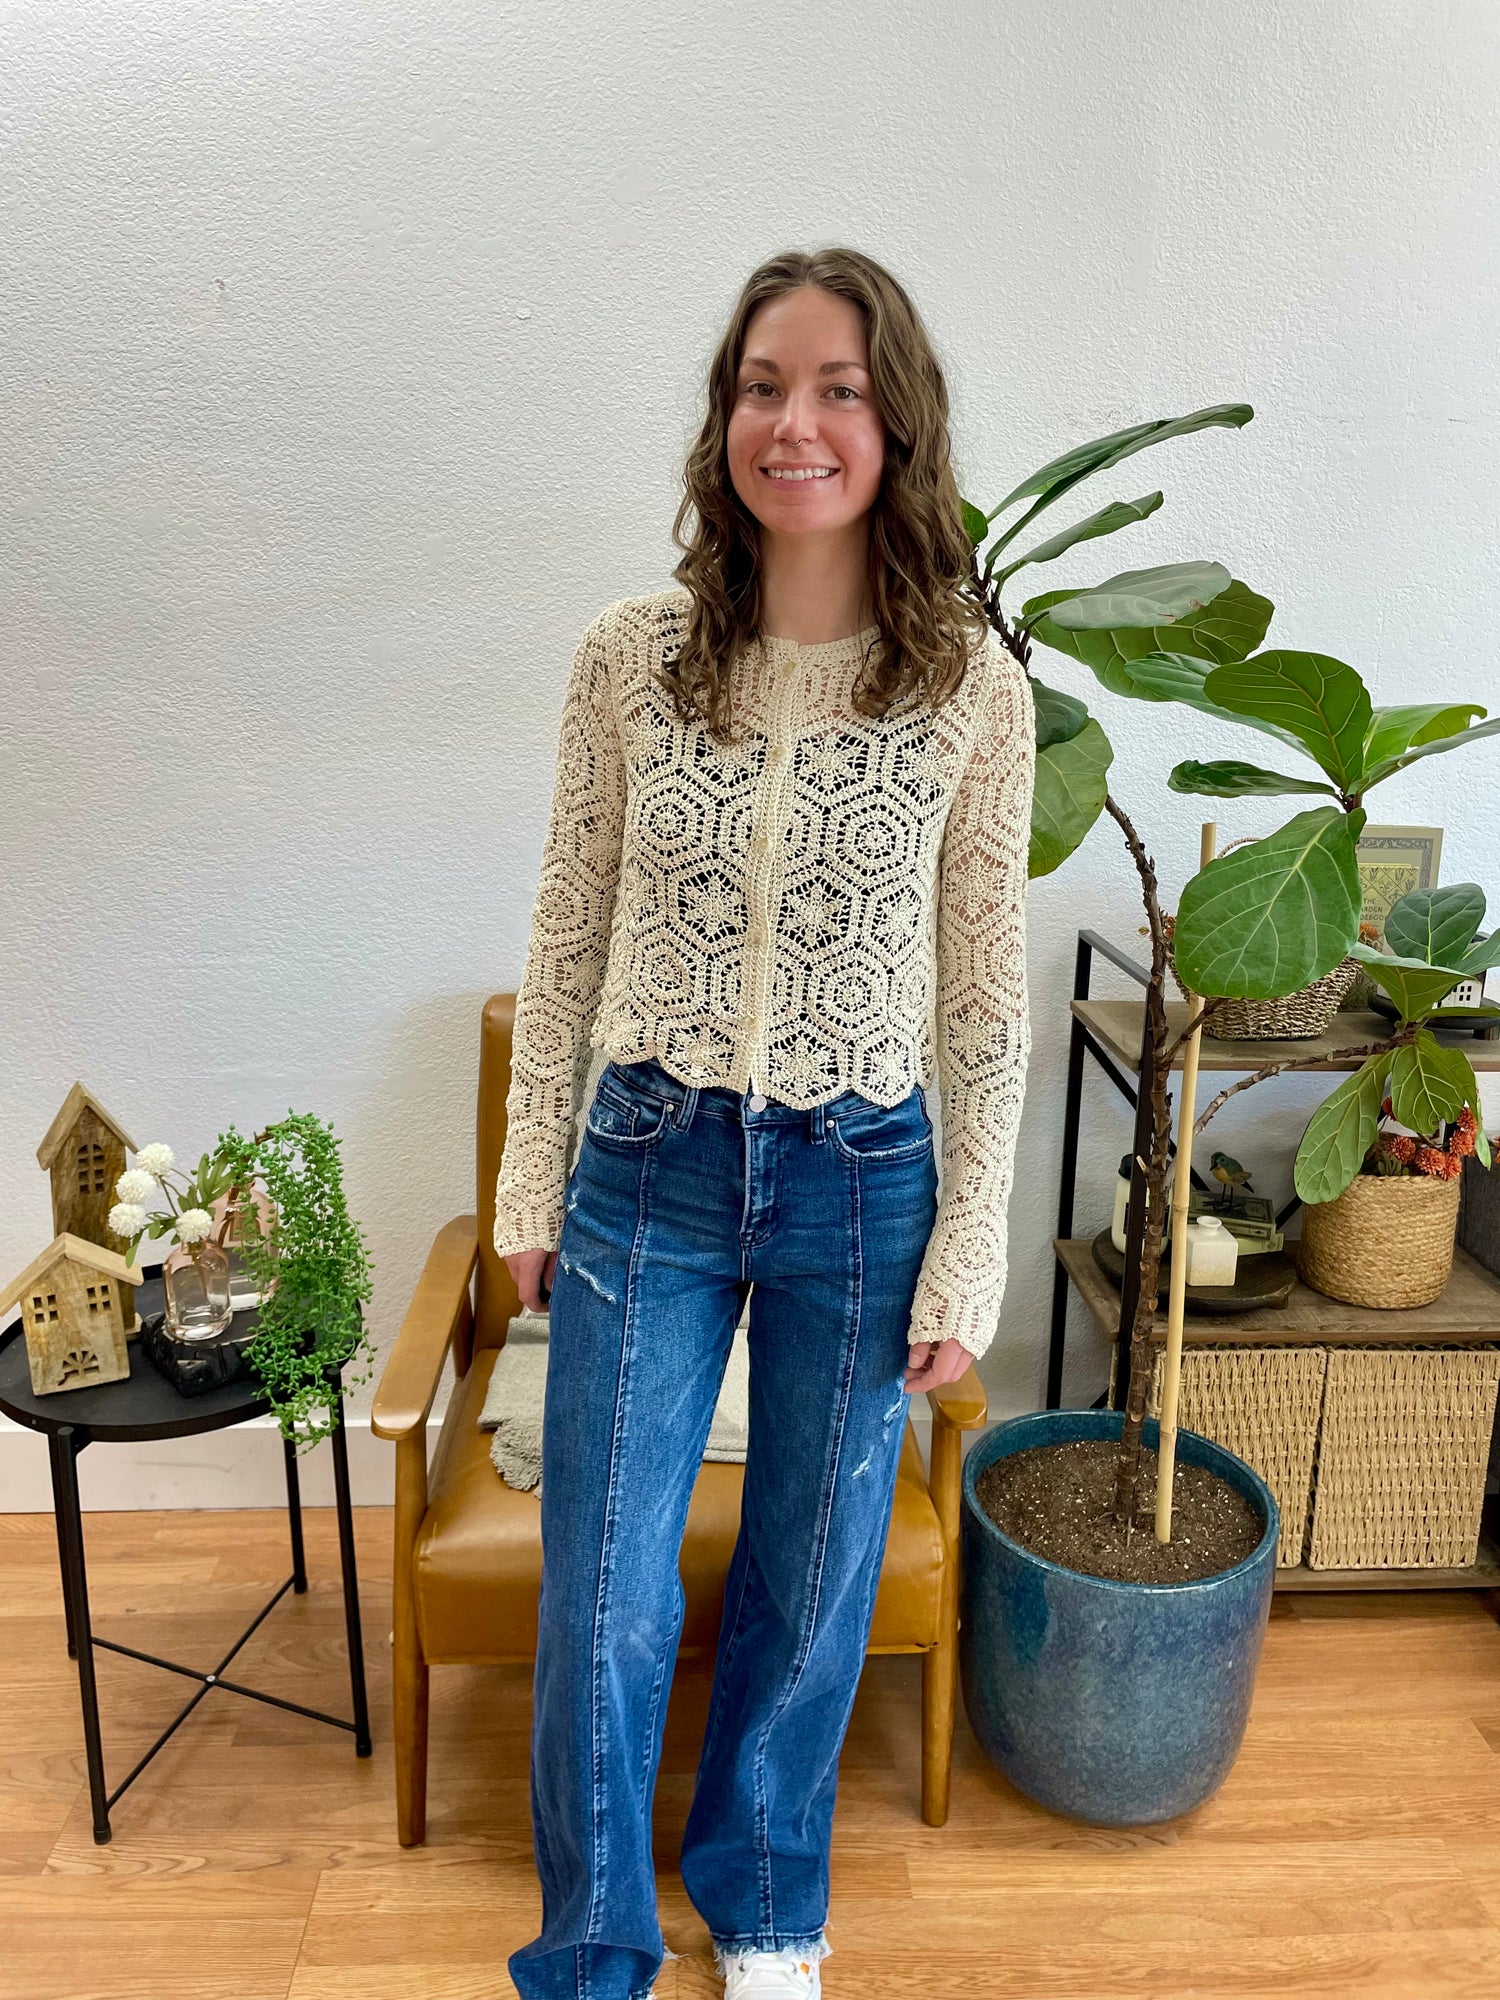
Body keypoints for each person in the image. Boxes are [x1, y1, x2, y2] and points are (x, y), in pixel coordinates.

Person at [492, 245, 1034, 2000]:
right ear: (723, 415)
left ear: (898, 426)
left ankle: (770, 1901)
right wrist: (526, 1184)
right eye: (760, 386)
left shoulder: (970, 687)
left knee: (813, 1570)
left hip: (863, 1181)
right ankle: (593, 1938)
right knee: (605, 1579)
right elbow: (567, 932)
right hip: (645, 1158)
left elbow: (984, 999)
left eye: (838, 390)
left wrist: (968, 1249)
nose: (792, 423)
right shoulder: (631, 658)